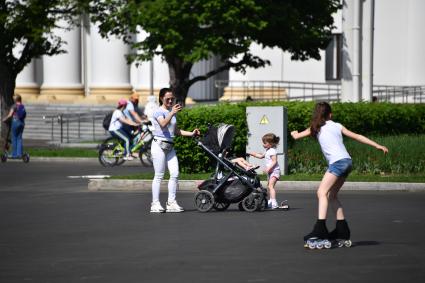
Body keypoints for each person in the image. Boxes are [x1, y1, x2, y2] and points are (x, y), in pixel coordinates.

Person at [291, 101, 388, 246]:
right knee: (332, 195)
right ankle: (342, 231)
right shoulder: (337, 125)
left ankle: (320, 229)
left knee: (321, 193)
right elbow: (357, 136)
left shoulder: (315, 128)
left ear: (317, 114)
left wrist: (294, 133)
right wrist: (377, 145)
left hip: (337, 163)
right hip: (347, 161)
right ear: (330, 114)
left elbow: (297, 137)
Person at [150, 88, 200, 213]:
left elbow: (176, 131)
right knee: (159, 175)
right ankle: (155, 204)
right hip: (158, 145)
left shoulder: (172, 113)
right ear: (161, 98)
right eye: (168, 99)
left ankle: (171, 203)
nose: (171, 100)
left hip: (170, 146)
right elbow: (163, 124)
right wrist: (172, 112)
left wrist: (192, 133)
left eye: (172, 98)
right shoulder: (158, 112)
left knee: (175, 173)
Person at [247, 133, 281, 209]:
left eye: (265, 143)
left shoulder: (272, 151)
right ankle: (271, 201)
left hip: (275, 171)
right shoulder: (267, 150)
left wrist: (268, 168)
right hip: (270, 172)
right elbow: (261, 156)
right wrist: (252, 154)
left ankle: (274, 203)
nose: (263, 144)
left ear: (271, 143)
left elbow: (274, 161)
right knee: (269, 187)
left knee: (270, 186)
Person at [2, 94, 26, 158]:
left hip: (15, 123)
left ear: (16, 100)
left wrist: (4, 119)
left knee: (14, 138)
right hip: (22, 123)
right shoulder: (22, 106)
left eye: (14, 99)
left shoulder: (14, 106)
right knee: (19, 138)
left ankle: (14, 154)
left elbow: (10, 115)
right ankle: (19, 154)